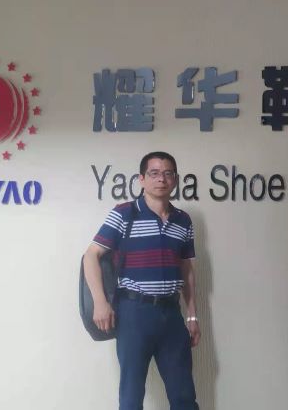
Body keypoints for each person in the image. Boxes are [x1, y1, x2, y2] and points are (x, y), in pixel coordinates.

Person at [83, 151, 200, 410]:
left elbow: (186, 267)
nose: (161, 179)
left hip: (171, 314)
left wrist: (192, 315)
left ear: (175, 179)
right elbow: (91, 256)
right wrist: (100, 302)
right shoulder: (124, 213)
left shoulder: (183, 220)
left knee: (184, 396)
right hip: (134, 313)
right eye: (154, 173)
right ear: (142, 179)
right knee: (131, 396)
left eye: (168, 173)